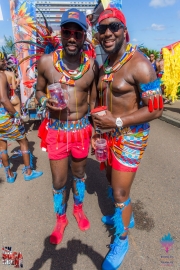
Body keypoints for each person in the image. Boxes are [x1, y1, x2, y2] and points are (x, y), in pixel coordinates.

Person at [91, 8, 163, 269]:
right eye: (102, 29)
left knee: (120, 191)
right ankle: (124, 215)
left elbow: (156, 108)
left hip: (131, 136)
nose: (108, 32)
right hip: (108, 136)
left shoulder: (140, 64)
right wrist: (98, 130)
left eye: (114, 27)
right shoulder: (105, 66)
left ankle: (121, 239)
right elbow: (102, 103)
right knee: (109, 179)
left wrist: (118, 121)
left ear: (124, 30)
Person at [36, 8, 98, 245]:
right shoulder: (46, 63)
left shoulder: (92, 67)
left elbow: (93, 99)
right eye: (67, 31)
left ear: (84, 36)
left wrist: (97, 128)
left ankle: (78, 209)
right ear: (61, 33)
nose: (72, 37)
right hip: (57, 131)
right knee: (59, 181)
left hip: (82, 132)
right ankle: (60, 218)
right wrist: (43, 101)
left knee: (79, 174)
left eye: (78, 33)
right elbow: (38, 90)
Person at [0, 51, 43, 182]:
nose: (4, 62)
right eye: (2, 60)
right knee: (23, 142)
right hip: (5, 115)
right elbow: (4, 99)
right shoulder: (1, 75)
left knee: (2, 145)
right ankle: (28, 172)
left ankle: (10, 175)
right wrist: (16, 115)